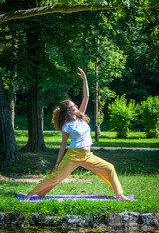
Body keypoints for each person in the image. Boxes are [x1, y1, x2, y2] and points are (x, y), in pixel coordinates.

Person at [25, 67, 130, 201]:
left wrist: (85, 80)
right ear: (68, 111)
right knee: (56, 176)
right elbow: (63, 146)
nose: (76, 107)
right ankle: (32, 193)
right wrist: (57, 163)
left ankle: (119, 195)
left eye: (75, 106)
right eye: (73, 106)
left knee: (110, 168)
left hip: (87, 156)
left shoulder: (80, 116)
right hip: (73, 156)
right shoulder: (67, 126)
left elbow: (86, 96)